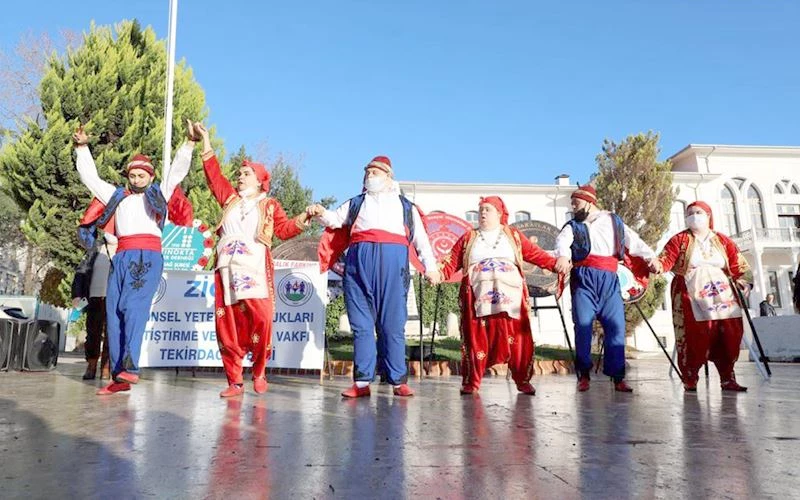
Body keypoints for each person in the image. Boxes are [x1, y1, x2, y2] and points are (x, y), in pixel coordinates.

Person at [73, 120, 196, 395]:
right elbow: (90, 179)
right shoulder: (117, 196)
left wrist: (189, 143)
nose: (137, 179)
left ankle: (130, 367)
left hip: (146, 256)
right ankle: (119, 376)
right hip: (121, 257)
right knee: (114, 311)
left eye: (142, 175)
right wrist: (82, 148)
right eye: (133, 175)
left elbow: (176, 171)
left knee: (133, 307)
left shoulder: (158, 194)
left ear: (150, 177)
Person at [195, 123, 312, 397]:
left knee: (262, 318)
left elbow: (283, 230)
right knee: (227, 324)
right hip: (226, 267)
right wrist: (206, 140)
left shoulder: (269, 205)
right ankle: (234, 381)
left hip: (255, 266)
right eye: (238, 173)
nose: (240, 177)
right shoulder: (230, 200)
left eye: (246, 173)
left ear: (259, 180)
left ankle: (259, 371)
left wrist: (305, 217)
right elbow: (214, 176)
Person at [312, 156, 439, 398]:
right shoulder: (356, 203)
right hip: (358, 266)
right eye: (367, 172)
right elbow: (334, 220)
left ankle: (398, 380)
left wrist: (430, 267)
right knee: (361, 325)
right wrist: (320, 212)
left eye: (375, 172)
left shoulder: (406, 207)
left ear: (389, 177)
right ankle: (361, 383)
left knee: (393, 325)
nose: (370, 176)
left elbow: (421, 240)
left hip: (393, 267)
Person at [438, 196, 560, 395]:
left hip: (511, 299)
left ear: (499, 213)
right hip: (477, 298)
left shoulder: (513, 235)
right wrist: (437, 274)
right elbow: (451, 262)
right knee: (476, 339)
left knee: (517, 339)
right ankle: (472, 382)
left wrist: (555, 264)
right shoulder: (469, 237)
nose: (483, 213)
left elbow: (535, 254)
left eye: (487, 209)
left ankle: (522, 380)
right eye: (481, 210)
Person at [554, 185, 659, 393]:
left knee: (616, 327)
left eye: (576, 203)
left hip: (609, 280)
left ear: (589, 202)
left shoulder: (613, 221)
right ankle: (584, 375)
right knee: (582, 326)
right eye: (572, 204)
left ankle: (618, 377)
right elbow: (562, 242)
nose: (573, 207)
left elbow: (634, 241)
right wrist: (563, 256)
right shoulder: (573, 226)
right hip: (583, 280)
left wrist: (651, 257)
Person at [657, 201, 753, 392]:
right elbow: (665, 260)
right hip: (690, 292)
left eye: (698, 212)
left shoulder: (723, 240)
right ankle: (690, 377)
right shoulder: (679, 240)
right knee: (695, 334)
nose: (693, 216)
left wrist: (744, 280)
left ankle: (727, 377)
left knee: (729, 332)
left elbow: (739, 264)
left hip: (723, 294)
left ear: (708, 215)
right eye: (689, 213)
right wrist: (657, 265)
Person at [71, 233, 117, 380]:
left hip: (114, 299)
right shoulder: (95, 248)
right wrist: (77, 295)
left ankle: (106, 367)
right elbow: (81, 272)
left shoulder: (124, 249)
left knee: (111, 334)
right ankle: (91, 365)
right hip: (93, 298)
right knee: (92, 334)